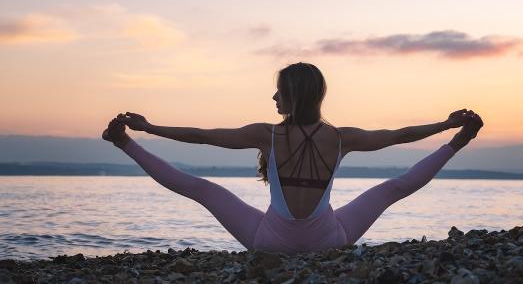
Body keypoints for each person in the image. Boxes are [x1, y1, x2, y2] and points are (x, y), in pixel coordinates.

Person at [102, 62, 483, 254]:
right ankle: (458, 146)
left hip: (269, 240)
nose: (273, 99)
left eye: (278, 92)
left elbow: (202, 137)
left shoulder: (266, 134)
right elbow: (398, 136)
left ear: (293, 95)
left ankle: (125, 146)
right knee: (391, 189)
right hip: (329, 239)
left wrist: (148, 130)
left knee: (202, 189)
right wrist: (447, 128)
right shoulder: (340, 138)